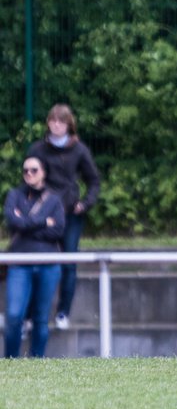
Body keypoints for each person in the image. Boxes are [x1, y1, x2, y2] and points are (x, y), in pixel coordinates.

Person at [26, 103, 100, 332]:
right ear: (48, 122)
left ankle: (62, 313)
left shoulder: (79, 150)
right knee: (36, 263)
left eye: (61, 121)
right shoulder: (38, 149)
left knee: (69, 263)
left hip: (70, 216)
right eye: (52, 120)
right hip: (44, 215)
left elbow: (94, 181)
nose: (56, 125)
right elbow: (27, 180)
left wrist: (85, 204)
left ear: (69, 125)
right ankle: (29, 317)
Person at [4, 156, 66, 358]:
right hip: (19, 263)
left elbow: (58, 231)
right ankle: (11, 362)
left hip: (48, 264)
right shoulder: (14, 195)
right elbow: (13, 222)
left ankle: (36, 362)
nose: (29, 174)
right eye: (25, 171)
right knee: (14, 316)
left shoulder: (54, 199)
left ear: (44, 173)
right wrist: (42, 222)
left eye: (34, 170)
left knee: (40, 318)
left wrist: (27, 222)